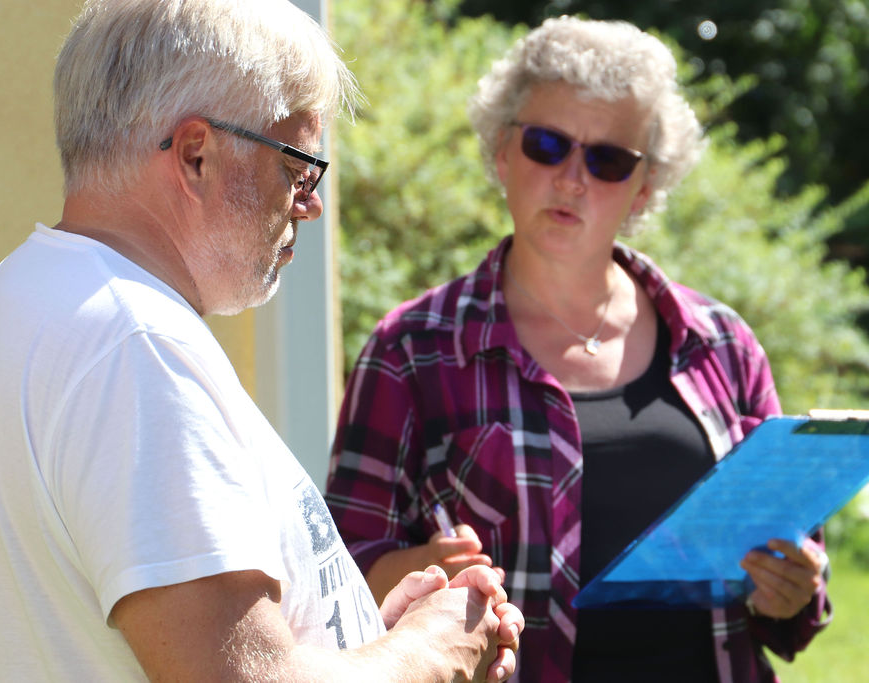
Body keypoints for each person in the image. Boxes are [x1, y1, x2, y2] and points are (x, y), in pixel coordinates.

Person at [0, 1, 524, 680]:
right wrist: (431, 650)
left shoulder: (26, 293)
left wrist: (373, 638)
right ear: (196, 155)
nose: (310, 204)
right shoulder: (138, 347)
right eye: (297, 168)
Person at [325, 16, 831, 683]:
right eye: (546, 144)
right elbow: (336, 576)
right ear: (501, 153)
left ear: (644, 188)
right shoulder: (410, 350)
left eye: (608, 160)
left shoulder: (722, 342)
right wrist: (418, 570)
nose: (571, 179)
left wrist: (792, 588)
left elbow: (793, 570)